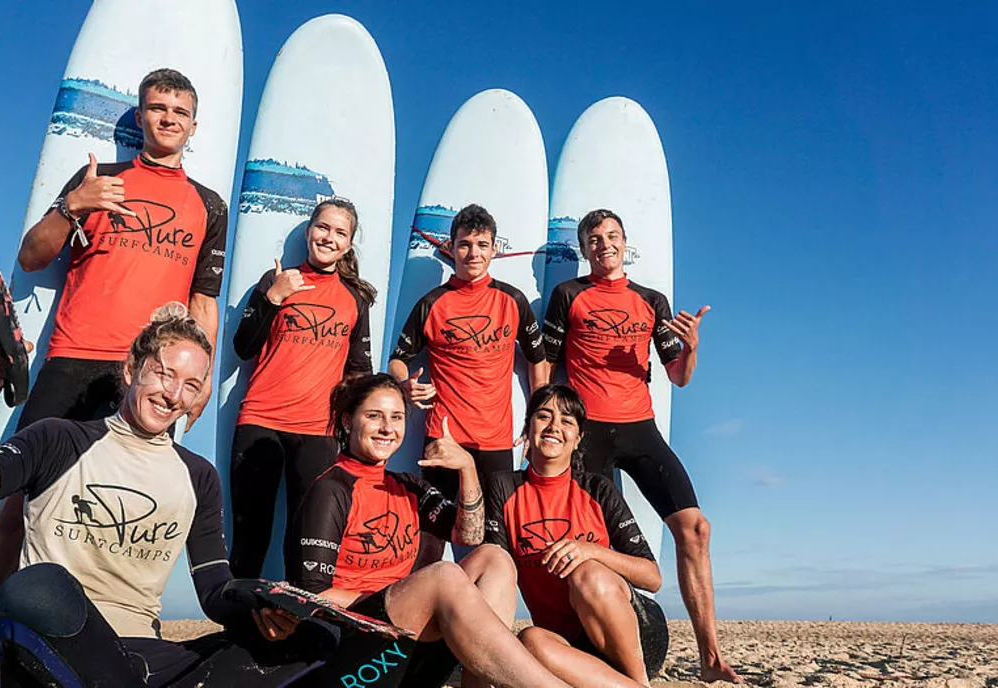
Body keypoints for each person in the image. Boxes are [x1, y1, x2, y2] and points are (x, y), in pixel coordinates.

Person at [0, 68, 230, 684]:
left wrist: (199, 380)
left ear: (194, 124)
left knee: (129, 508)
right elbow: (30, 254)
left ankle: (109, 640)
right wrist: (73, 205)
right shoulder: (99, 181)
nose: (168, 118)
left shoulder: (209, 205)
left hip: (151, 377)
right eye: (157, 108)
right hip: (74, 359)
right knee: (17, 506)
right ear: (142, 115)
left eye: (180, 110)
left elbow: (204, 297)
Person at [0, 305, 318, 686]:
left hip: (139, 658)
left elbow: (214, 589)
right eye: (164, 373)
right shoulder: (58, 439)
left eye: (191, 385)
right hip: (51, 647)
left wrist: (261, 610)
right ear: (130, 370)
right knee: (35, 588)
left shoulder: (198, 476)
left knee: (312, 646)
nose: (174, 395)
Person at [541, 208, 741, 682]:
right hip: (588, 434)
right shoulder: (567, 295)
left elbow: (678, 377)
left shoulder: (653, 300)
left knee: (696, 530)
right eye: (593, 237)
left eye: (611, 236)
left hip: (640, 429)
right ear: (585, 248)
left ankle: (711, 658)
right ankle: (609, 651)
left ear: (624, 243)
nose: (603, 243)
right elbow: (545, 366)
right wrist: (543, 421)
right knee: (596, 546)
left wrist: (691, 347)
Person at [286, 373, 572, 688]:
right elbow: (313, 597)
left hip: (410, 635)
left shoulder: (408, 485)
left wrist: (467, 469)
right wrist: (404, 596)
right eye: (374, 416)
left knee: (494, 557)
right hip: (356, 648)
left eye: (396, 417)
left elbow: (471, 536)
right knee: (443, 577)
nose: (387, 428)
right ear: (347, 421)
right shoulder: (332, 488)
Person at [229, 198, 374, 580]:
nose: (329, 238)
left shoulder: (354, 299)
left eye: (339, 232)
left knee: (307, 540)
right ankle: (239, 631)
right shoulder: (277, 279)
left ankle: (302, 630)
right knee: (250, 537)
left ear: (348, 245)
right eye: (323, 228)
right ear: (310, 231)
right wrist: (273, 298)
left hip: (317, 433)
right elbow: (243, 346)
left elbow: (359, 371)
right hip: (260, 422)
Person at [485, 384, 662, 687]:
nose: (554, 426)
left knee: (589, 574)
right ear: (528, 426)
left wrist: (592, 551)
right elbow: (496, 568)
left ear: (578, 438)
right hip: (566, 648)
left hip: (635, 640)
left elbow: (652, 578)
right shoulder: (504, 488)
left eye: (567, 421)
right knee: (528, 642)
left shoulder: (597, 489)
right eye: (544, 416)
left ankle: (639, 680)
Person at [388, 203, 546, 506]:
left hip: (496, 441)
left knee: (495, 537)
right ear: (452, 248)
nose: (474, 253)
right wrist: (403, 383)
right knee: (432, 534)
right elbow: (398, 359)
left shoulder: (513, 300)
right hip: (443, 435)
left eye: (482, 245)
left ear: (494, 249)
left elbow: (537, 359)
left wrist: (535, 417)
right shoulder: (432, 303)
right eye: (465, 244)